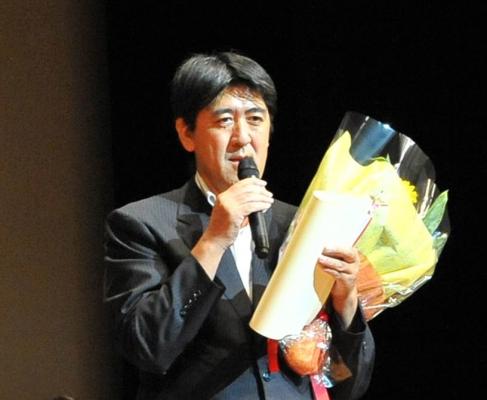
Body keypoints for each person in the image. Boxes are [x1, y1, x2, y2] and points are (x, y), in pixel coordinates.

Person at [103, 51, 374, 399]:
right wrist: (213, 241)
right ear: (187, 134)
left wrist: (346, 301)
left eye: (255, 119)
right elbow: (146, 346)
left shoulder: (300, 224)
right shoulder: (141, 224)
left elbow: (349, 382)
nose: (243, 137)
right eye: (224, 120)